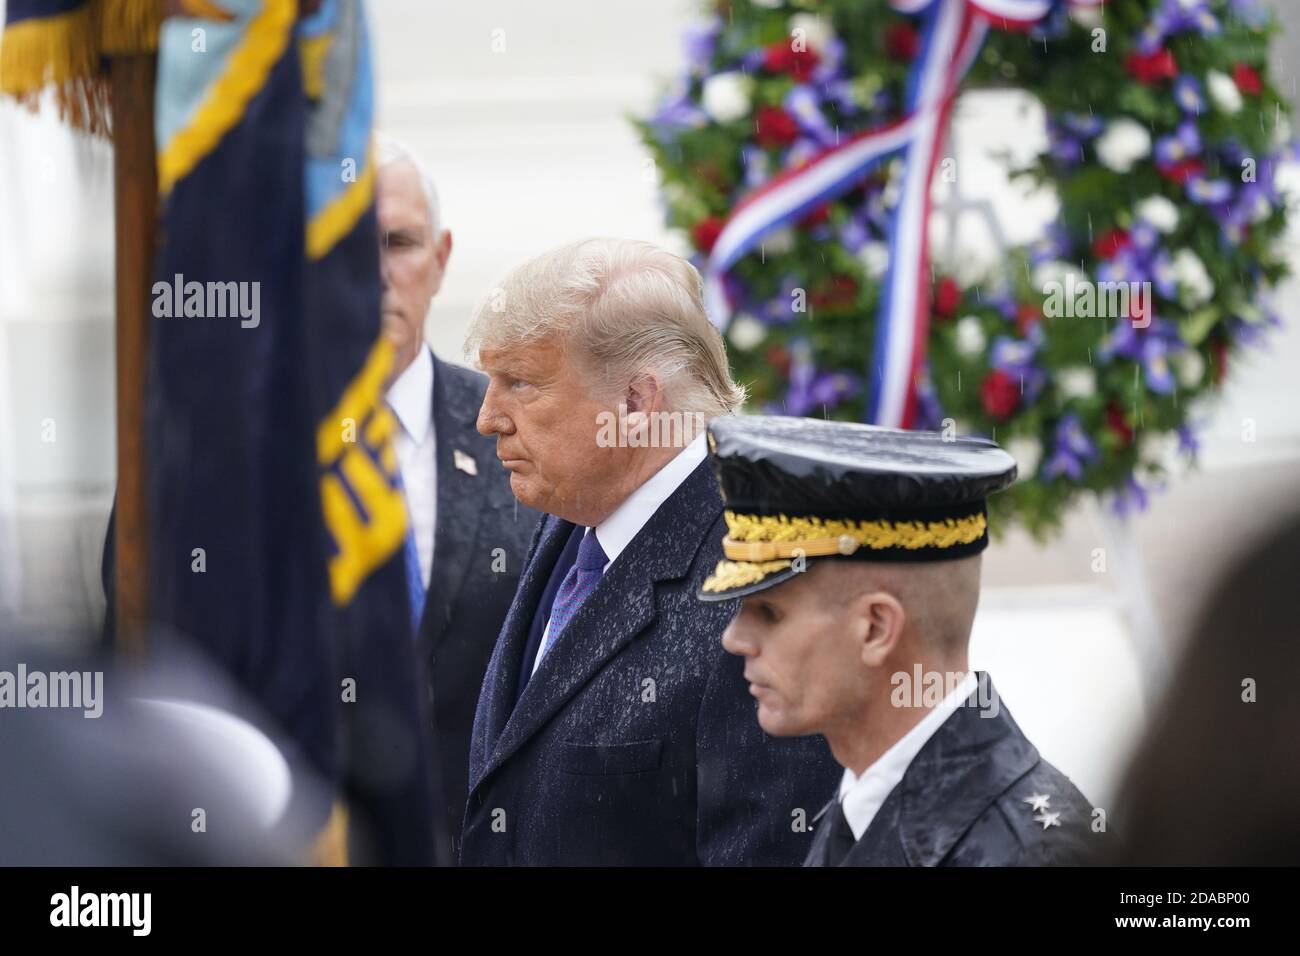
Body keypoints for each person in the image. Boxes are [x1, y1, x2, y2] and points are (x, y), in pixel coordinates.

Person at [460, 238, 838, 865]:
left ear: (636, 403)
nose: (487, 417)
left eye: (520, 383)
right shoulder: (576, 515)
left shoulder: (765, 584)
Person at [698, 415, 1101, 866]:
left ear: (875, 628)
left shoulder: (1037, 855)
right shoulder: (865, 801)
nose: (735, 639)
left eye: (769, 612)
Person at [373, 134, 539, 863]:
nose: (372, 274)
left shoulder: (524, 432)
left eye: (396, 243)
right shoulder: (226, 448)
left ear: (440, 259)